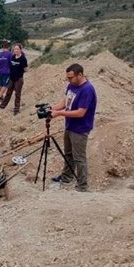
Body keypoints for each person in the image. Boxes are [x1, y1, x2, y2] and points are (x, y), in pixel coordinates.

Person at [49, 63, 97, 192]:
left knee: (79, 158)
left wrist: (59, 113)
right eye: (68, 78)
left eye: (71, 77)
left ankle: (82, 186)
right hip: (70, 125)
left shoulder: (87, 89)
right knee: (68, 154)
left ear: (80, 75)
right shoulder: (72, 85)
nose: (69, 80)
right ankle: (66, 177)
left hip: (80, 129)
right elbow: (66, 101)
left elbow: (81, 112)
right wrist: (52, 108)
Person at [0, 43, 28, 116]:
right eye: (15, 49)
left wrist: (19, 71)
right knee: (8, 92)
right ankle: (3, 105)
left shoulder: (23, 58)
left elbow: (25, 69)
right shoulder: (13, 57)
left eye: (17, 49)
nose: (16, 50)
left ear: (20, 50)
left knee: (17, 94)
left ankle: (16, 109)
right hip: (11, 78)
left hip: (18, 79)